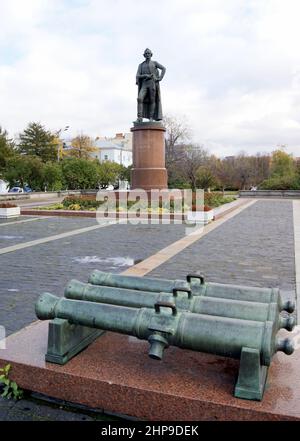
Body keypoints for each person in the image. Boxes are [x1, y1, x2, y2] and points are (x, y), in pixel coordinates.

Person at [136, 48, 166, 122]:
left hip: (152, 84)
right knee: (140, 98)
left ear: (151, 54)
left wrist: (160, 78)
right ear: (144, 55)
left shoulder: (154, 63)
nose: (147, 55)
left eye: (149, 53)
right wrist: (145, 75)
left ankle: (151, 117)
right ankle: (140, 117)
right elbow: (137, 75)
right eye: (146, 53)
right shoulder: (141, 65)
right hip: (144, 84)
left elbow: (163, 68)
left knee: (152, 100)